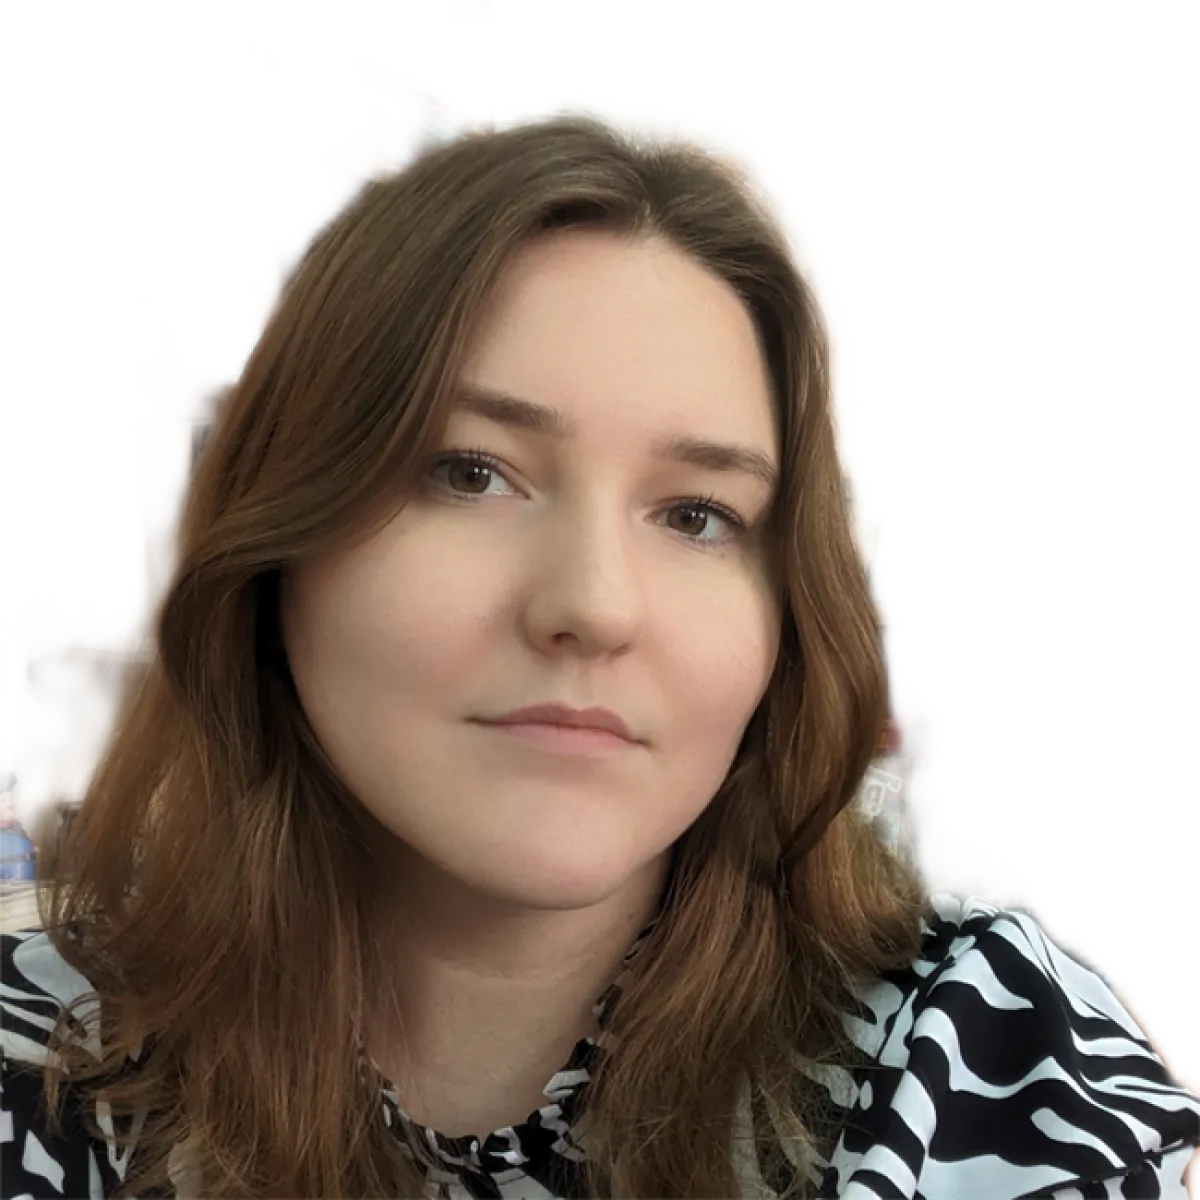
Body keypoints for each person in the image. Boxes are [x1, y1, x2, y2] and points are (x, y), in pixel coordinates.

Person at [3, 97, 1198, 1200]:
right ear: (279, 544)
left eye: (698, 515)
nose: (595, 605)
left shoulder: (983, 1068)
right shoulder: (43, 1064)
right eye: (469, 473)